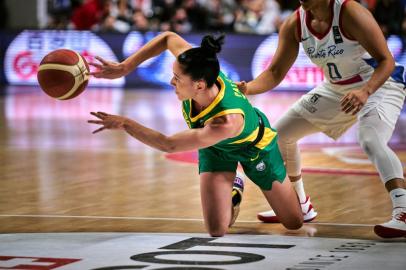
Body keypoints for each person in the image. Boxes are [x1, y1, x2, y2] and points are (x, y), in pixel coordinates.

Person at [87, 31, 304, 236]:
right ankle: (234, 188)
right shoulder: (197, 66)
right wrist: (125, 67)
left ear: (199, 85)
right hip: (215, 148)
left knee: (294, 223)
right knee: (217, 230)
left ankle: (269, 187)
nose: (172, 81)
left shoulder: (226, 121)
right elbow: (167, 38)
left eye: (177, 78)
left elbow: (168, 144)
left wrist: (125, 123)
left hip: (255, 149)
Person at [237, 0, 406, 238]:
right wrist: (247, 88)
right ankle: (299, 203)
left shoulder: (350, 12)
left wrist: (365, 91)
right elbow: (275, 72)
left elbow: (386, 61)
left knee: (370, 139)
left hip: (380, 83)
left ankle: (403, 210)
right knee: (280, 136)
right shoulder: (295, 23)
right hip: (336, 88)